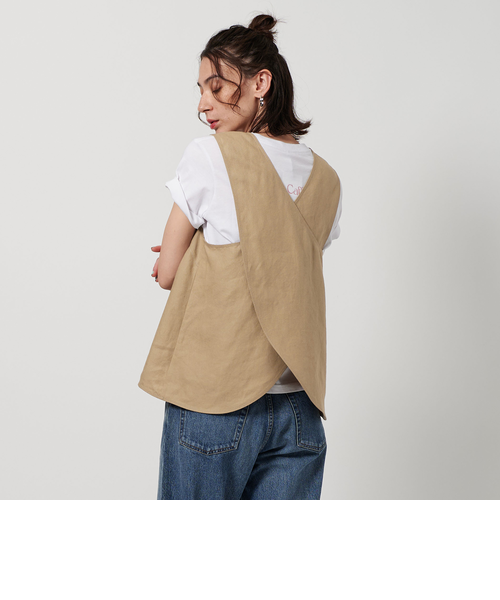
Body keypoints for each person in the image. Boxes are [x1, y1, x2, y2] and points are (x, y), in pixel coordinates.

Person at [139, 14, 343, 500]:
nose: (203, 104)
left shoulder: (212, 156)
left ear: (260, 83)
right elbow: (283, 263)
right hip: (299, 410)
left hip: (216, 400)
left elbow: (167, 274)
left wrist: (188, 250)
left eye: (216, 87)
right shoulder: (328, 179)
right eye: (201, 91)